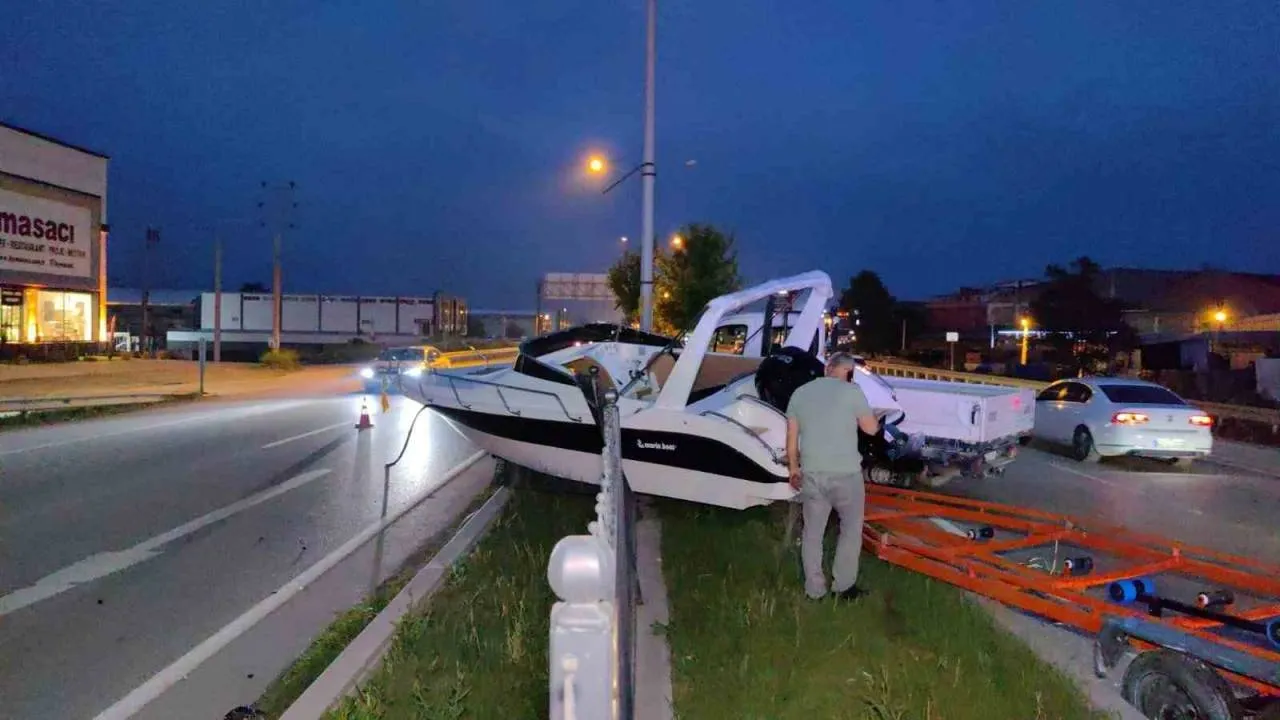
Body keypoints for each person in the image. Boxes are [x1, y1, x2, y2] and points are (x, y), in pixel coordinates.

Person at [785, 351, 880, 600]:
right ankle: (843, 586)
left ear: (828, 368)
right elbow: (871, 429)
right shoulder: (852, 391)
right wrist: (873, 417)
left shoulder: (800, 393)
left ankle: (814, 590)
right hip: (846, 474)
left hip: (812, 473)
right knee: (850, 529)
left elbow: (792, 439)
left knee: (812, 533)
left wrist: (794, 469)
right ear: (848, 372)